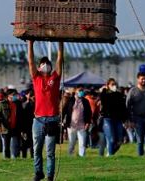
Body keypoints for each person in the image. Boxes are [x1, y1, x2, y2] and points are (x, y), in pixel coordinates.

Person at [27, 40, 63, 181]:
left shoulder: (55, 77)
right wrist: (30, 44)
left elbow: (60, 59)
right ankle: (38, 172)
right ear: (39, 67)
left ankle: (49, 175)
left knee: (50, 151)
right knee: (36, 149)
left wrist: (60, 44)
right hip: (38, 119)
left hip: (52, 119)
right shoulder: (36, 77)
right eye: (43, 63)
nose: (46, 65)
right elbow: (30, 61)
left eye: (47, 63)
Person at [98, 77, 127, 156]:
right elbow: (103, 100)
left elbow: (123, 107)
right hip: (108, 119)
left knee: (120, 140)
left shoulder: (118, 95)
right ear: (107, 85)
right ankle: (111, 155)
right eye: (112, 84)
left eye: (115, 84)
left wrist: (125, 120)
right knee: (111, 139)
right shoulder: (105, 94)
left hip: (118, 119)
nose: (114, 86)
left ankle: (110, 153)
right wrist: (104, 90)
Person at [62, 87, 91, 157]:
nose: (81, 92)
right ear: (75, 91)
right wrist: (62, 120)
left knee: (82, 143)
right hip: (71, 125)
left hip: (82, 125)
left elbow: (89, 113)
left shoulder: (85, 101)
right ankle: (70, 155)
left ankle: (82, 156)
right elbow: (64, 111)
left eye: (82, 90)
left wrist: (88, 123)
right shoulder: (70, 100)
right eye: (79, 91)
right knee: (72, 142)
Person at [19, 90, 35, 159]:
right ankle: (25, 156)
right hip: (26, 126)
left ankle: (31, 156)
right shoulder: (24, 104)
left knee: (31, 142)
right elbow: (22, 117)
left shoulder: (32, 104)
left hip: (31, 125)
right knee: (25, 142)